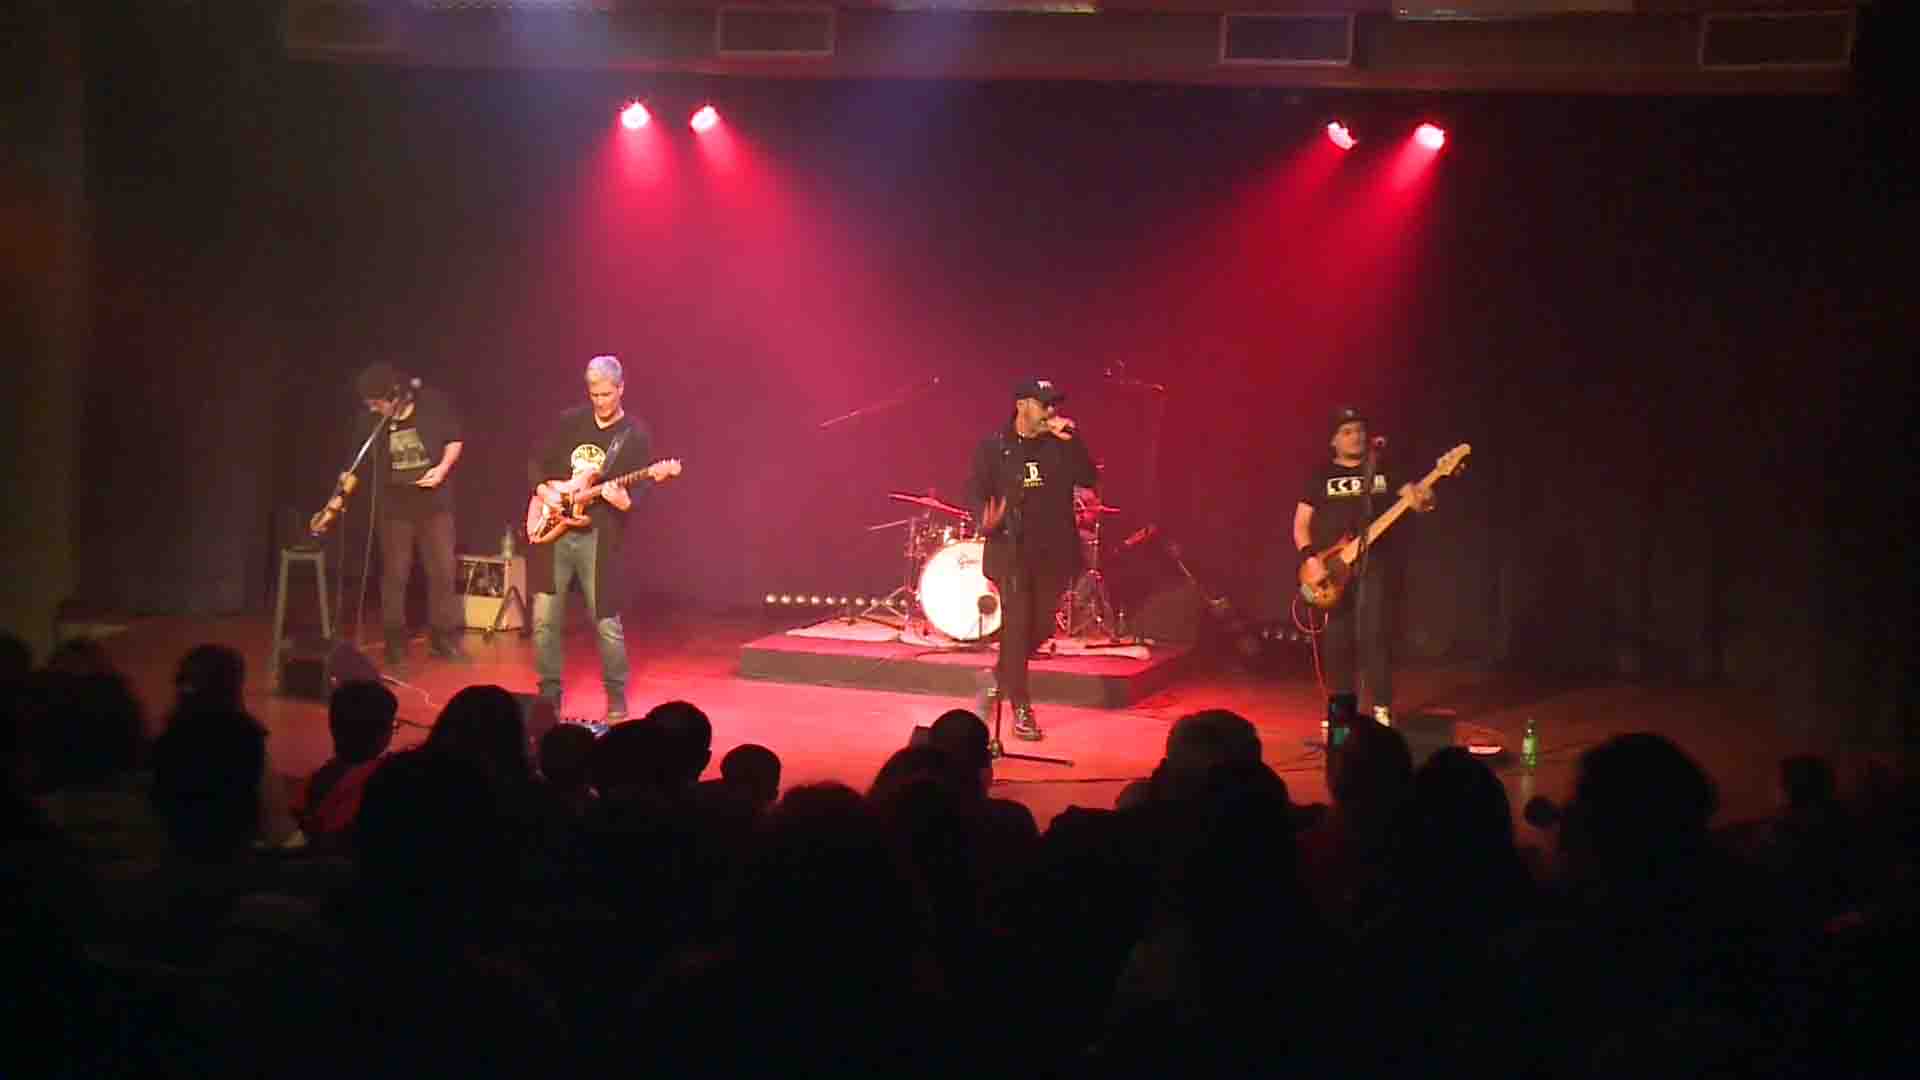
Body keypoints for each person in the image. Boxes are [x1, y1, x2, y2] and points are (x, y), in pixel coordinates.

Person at [967, 377, 1099, 741]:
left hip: (1052, 552)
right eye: (1045, 405)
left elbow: (1089, 477)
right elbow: (976, 490)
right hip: (1011, 552)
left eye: (1055, 404)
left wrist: (1075, 442)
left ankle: (997, 676)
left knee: (1040, 628)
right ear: (1023, 405)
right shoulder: (994, 446)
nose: (1052, 412)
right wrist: (985, 517)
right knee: (1018, 625)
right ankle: (1021, 707)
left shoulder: (1060, 446)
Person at [527, 355, 654, 727]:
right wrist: (544, 492)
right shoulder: (569, 422)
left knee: (605, 621)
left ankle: (616, 698)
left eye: (606, 394)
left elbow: (643, 483)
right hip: (555, 529)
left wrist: (627, 501)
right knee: (544, 619)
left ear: (621, 389)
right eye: (594, 393)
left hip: (599, 536)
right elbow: (535, 460)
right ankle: (548, 697)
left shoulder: (634, 433)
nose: (600, 401)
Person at [1294, 406, 1433, 729]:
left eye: (1359, 429)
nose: (1355, 436)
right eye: (1346, 431)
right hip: (1333, 569)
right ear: (1333, 441)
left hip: (1375, 564)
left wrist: (1426, 499)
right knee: (1338, 639)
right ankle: (1341, 711)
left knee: (1374, 635)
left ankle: (1382, 709)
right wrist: (1311, 559)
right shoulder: (1320, 476)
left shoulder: (1383, 469)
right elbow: (1300, 524)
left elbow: (1418, 501)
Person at [353, 363, 468, 668]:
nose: (375, 409)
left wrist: (441, 470)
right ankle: (394, 640)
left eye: (379, 403)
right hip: (394, 506)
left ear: (396, 395)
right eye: (370, 405)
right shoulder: (372, 421)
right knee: (395, 573)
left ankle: (443, 638)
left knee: (443, 570)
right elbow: (359, 460)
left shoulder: (432, 403)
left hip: (434, 502)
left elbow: (454, 439)